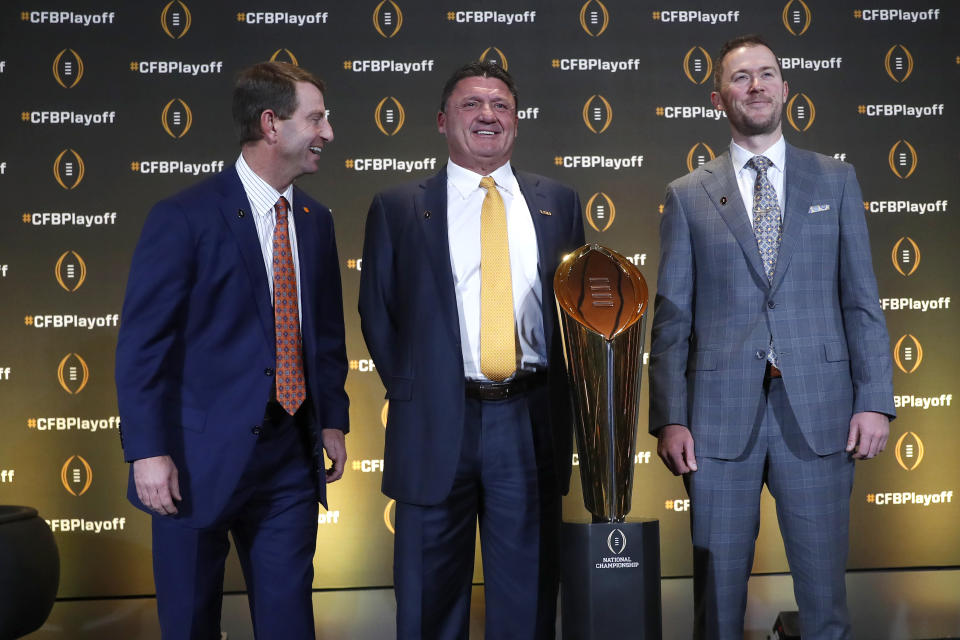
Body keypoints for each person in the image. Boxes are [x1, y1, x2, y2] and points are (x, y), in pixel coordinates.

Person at [648, 35, 895, 639]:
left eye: (766, 75)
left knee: (825, 606)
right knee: (717, 607)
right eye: (740, 78)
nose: (755, 86)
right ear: (718, 98)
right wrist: (670, 419)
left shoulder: (835, 180)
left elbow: (862, 301)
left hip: (821, 413)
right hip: (716, 424)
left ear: (786, 89)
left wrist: (874, 399)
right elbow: (672, 320)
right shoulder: (687, 195)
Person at [115, 61, 349, 639]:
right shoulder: (184, 217)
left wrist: (334, 422)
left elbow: (324, 338)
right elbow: (144, 346)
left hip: (290, 459)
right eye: (315, 118)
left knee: (290, 622)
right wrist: (147, 451)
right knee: (192, 622)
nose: (328, 133)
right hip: (193, 463)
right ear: (271, 124)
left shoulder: (316, 221)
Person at [358, 61, 585, 639]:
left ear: (516, 122)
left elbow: (580, 312)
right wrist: (420, 386)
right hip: (434, 422)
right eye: (471, 105)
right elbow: (377, 312)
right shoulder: (398, 206)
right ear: (441, 120)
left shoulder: (559, 201)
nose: (488, 115)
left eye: (501, 106)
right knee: (429, 596)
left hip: (529, 418)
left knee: (528, 594)